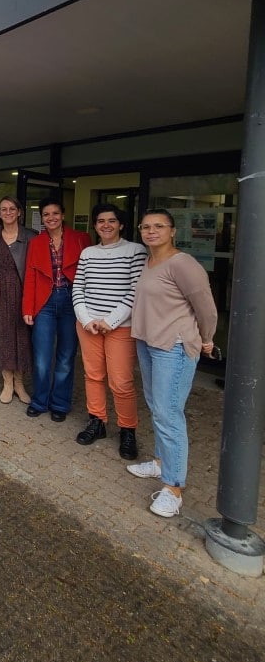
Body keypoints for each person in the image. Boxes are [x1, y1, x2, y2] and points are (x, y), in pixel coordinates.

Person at [127, 209, 217, 518]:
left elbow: (206, 308)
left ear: (173, 231)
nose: (151, 231)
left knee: (169, 415)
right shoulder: (150, 261)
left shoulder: (183, 264)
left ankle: (173, 488)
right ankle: (161, 462)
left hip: (174, 347)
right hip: (148, 342)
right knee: (157, 406)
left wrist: (207, 338)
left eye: (159, 226)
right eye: (146, 227)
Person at [72, 205, 147, 458]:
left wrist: (110, 321)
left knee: (121, 382)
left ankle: (127, 430)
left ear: (121, 225)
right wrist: (86, 320)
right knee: (93, 376)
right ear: (95, 226)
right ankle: (97, 421)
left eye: (112, 221)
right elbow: (78, 288)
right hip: (89, 326)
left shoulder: (135, 251)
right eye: (101, 221)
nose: (106, 225)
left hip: (120, 327)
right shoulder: (88, 253)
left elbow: (136, 291)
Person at [22, 197, 91, 421]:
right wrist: (27, 308)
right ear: (42, 218)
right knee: (42, 357)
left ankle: (60, 403)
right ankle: (39, 401)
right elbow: (31, 276)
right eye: (46, 214)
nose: (51, 218)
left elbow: (89, 274)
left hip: (72, 300)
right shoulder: (36, 242)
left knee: (66, 356)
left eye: (55, 213)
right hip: (45, 302)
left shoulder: (81, 239)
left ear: (62, 215)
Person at [0, 197, 37, 404]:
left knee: (21, 337)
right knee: (3, 335)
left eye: (12, 208)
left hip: (22, 289)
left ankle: (20, 383)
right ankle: (7, 382)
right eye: (3, 209)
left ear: (19, 212)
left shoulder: (31, 236)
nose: (8, 212)